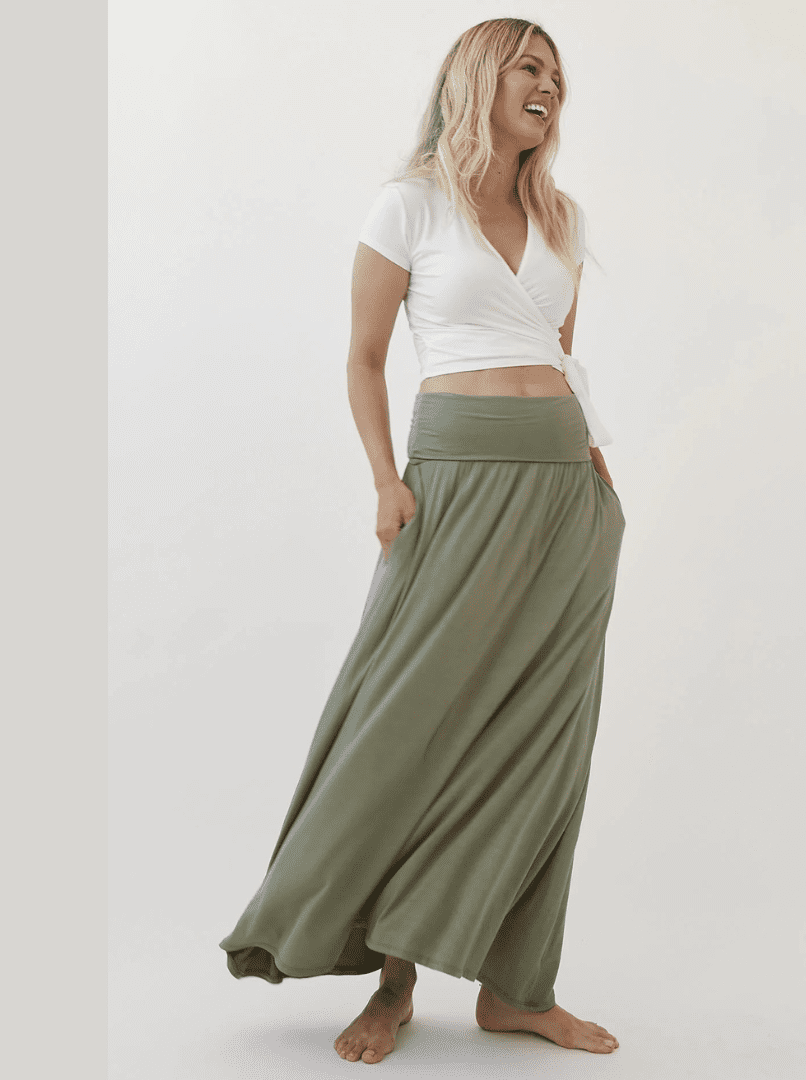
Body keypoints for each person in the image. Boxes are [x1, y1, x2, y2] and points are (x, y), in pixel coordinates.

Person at [219, 17, 624, 1064]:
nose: (548, 84)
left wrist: (598, 475)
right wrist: (385, 481)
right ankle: (391, 982)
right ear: (477, 79)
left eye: (556, 72)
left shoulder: (562, 218)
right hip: (452, 481)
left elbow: (561, 355)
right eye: (529, 66)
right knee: (413, 726)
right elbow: (363, 357)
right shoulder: (408, 204)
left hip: (567, 492)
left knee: (541, 743)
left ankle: (517, 989)